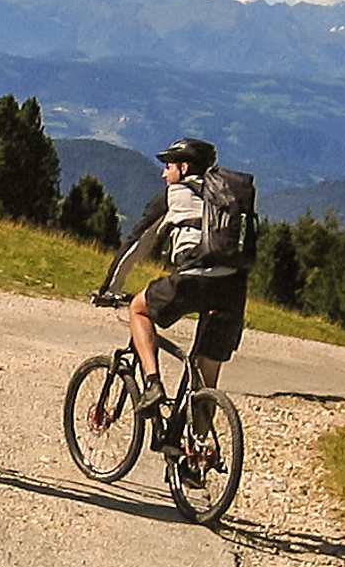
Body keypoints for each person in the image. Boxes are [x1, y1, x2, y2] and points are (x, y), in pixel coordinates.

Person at [91, 136, 249, 425]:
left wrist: (110, 288)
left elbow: (137, 243)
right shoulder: (228, 196)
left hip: (195, 278)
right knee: (206, 375)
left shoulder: (175, 194)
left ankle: (153, 385)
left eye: (168, 166)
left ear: (184, 168)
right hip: (234, 287)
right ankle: (195, 446)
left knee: (138, 310)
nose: (164, 174)